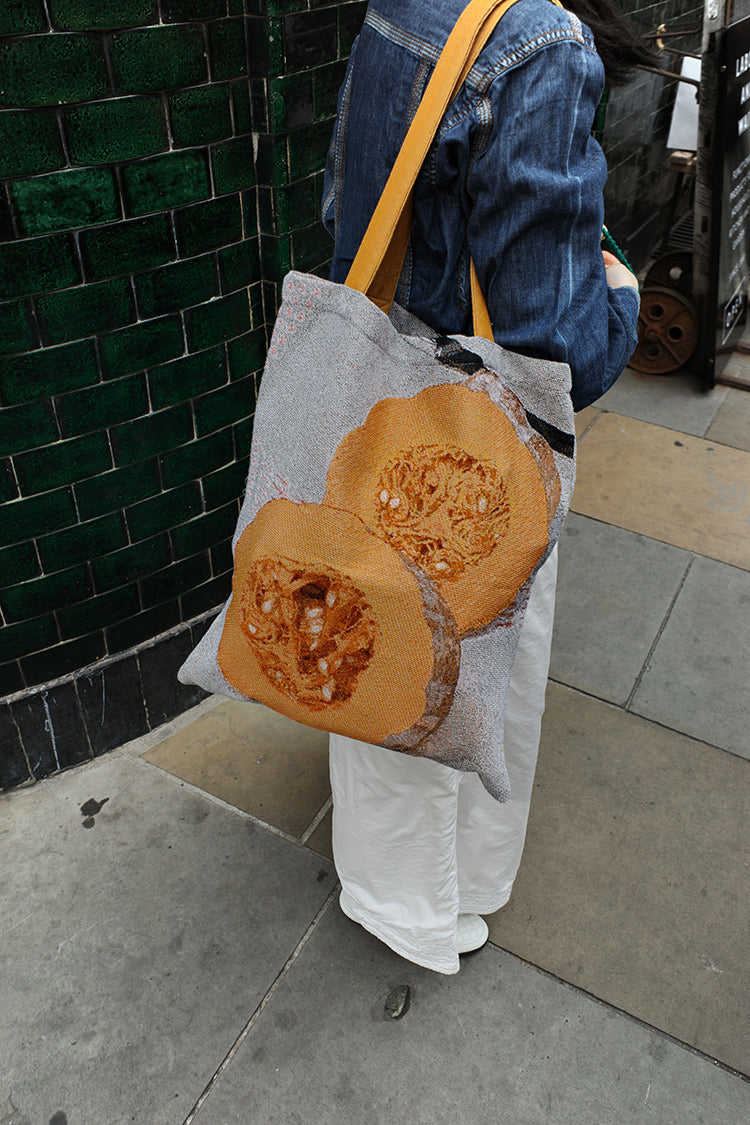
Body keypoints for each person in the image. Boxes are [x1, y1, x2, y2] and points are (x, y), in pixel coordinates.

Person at [321, 0, 652, 974]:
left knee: (383, 658)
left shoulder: (403, 7)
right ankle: (443, 904)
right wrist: (622, 293)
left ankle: (382, 887)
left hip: (377, 405)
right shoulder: (540, 41)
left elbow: (353, 207)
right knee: (476, 668)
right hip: (478, 448)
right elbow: (557, 347)